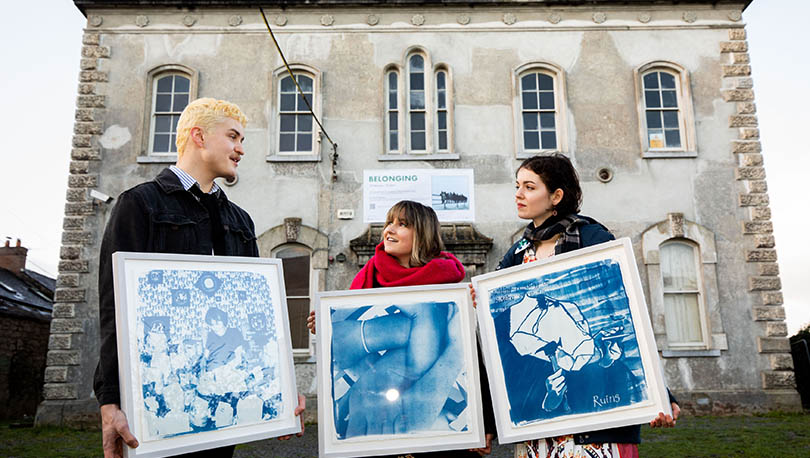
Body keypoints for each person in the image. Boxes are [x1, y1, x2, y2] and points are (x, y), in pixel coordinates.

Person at [94, 98, 305, 458]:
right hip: (162, 402)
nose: (241, 149)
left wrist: (280, 389)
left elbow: (255, 318)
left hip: (222, 403)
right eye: (234, 137)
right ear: (199, 137)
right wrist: (109, 401)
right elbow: (114, 308)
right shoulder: (140, 205)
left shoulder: (241, 221)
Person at [485, 154, 679, 458]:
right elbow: (498, 342)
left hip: (596, 427)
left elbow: (629, 314)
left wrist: (658, 395)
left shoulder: (591, 238)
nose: (519, 194)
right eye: (517, 186)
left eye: (529, 187)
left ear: (556, 196)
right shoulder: (517, 253)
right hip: (540, 430)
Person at [307, 200, 496, 456]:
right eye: (389, 223)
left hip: (437, 434)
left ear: (423, 235)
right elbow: (341, 352)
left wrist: (484, 423)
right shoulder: (367, 280)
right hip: (375, 432)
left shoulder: (450, 291)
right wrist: (327, 325)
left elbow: (473, 359)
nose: (390, 230)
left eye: (402, 224)